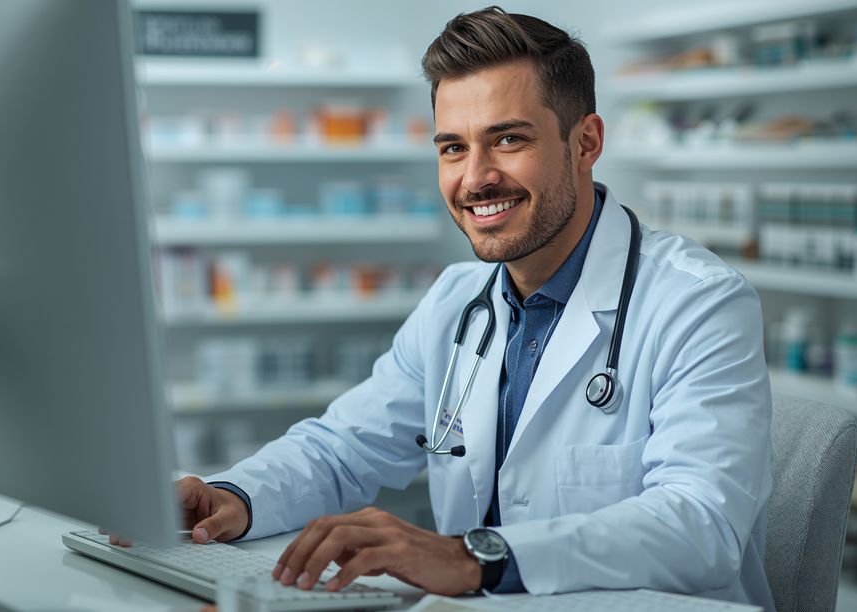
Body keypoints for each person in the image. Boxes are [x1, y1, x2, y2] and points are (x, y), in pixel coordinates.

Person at [120, 6, 776, 609]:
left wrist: (475, 556)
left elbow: (701, 524)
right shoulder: (458, 302)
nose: (475, 177)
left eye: (509, 139)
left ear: (585, 143)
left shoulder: (696, 301)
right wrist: (231, 496)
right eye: (452, 147)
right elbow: (342, 450)